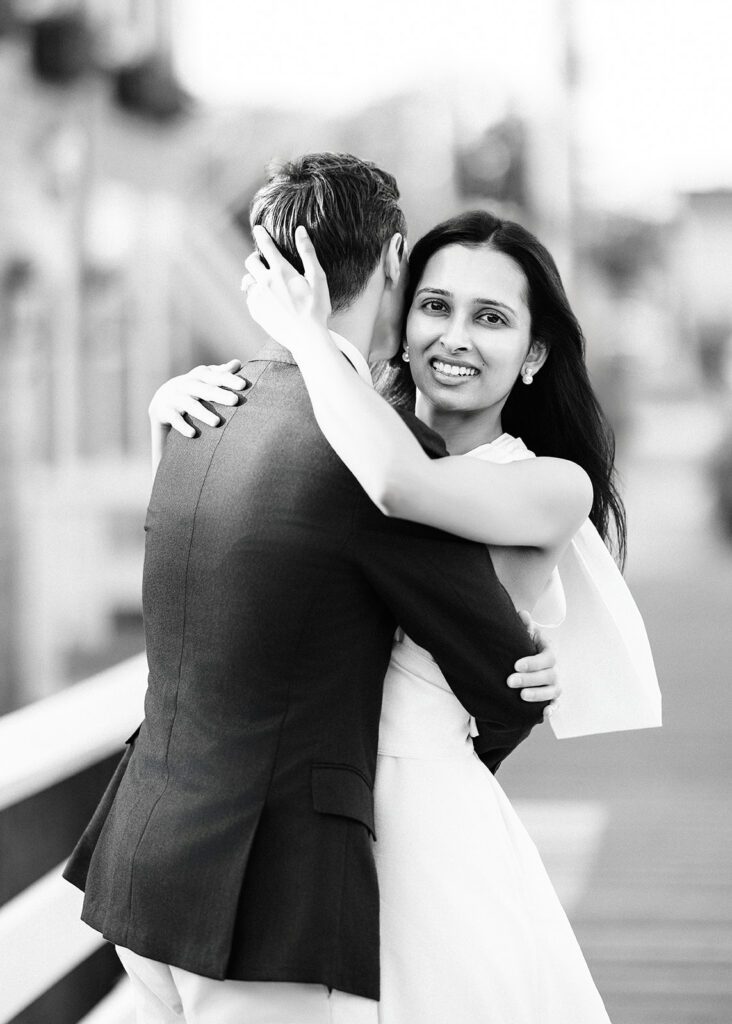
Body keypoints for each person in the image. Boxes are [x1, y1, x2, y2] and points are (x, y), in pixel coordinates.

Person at [63, 154, 559, 1024]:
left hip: (141, 865)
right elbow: (503, 683)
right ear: (397, 259)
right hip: (262, 895)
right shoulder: (376, 458)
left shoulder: (194, 412)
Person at [152, 207, 661, 1022]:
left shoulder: (551, 483)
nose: (454, 336)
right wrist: (174, 415)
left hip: (426, 825)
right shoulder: (348, 435)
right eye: (435, 305)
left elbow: (404, 486)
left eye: (490, 318)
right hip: (299, 820)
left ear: (534, 354)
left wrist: (303, 333)